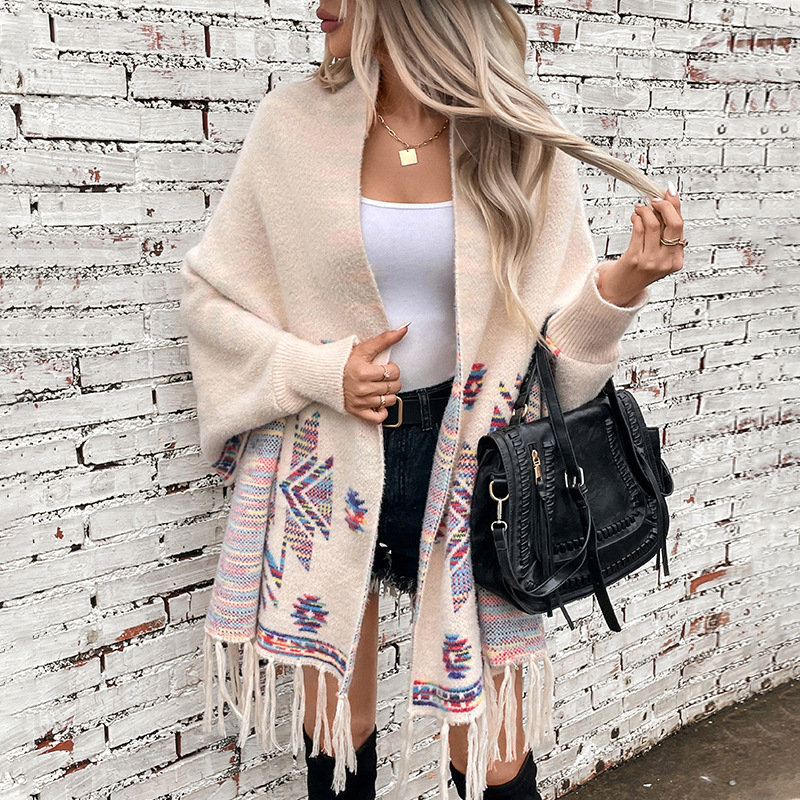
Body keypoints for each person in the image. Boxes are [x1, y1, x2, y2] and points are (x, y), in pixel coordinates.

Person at [179, 1, 685, 799]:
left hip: (478, 469)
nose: (319, 5)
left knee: (494, 751)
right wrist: (321, 370)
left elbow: (554, 361)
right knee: (336, 731)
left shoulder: (518, 137)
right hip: (328, 464)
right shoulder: (291, 125)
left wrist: (622, 284)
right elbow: (212, 299)